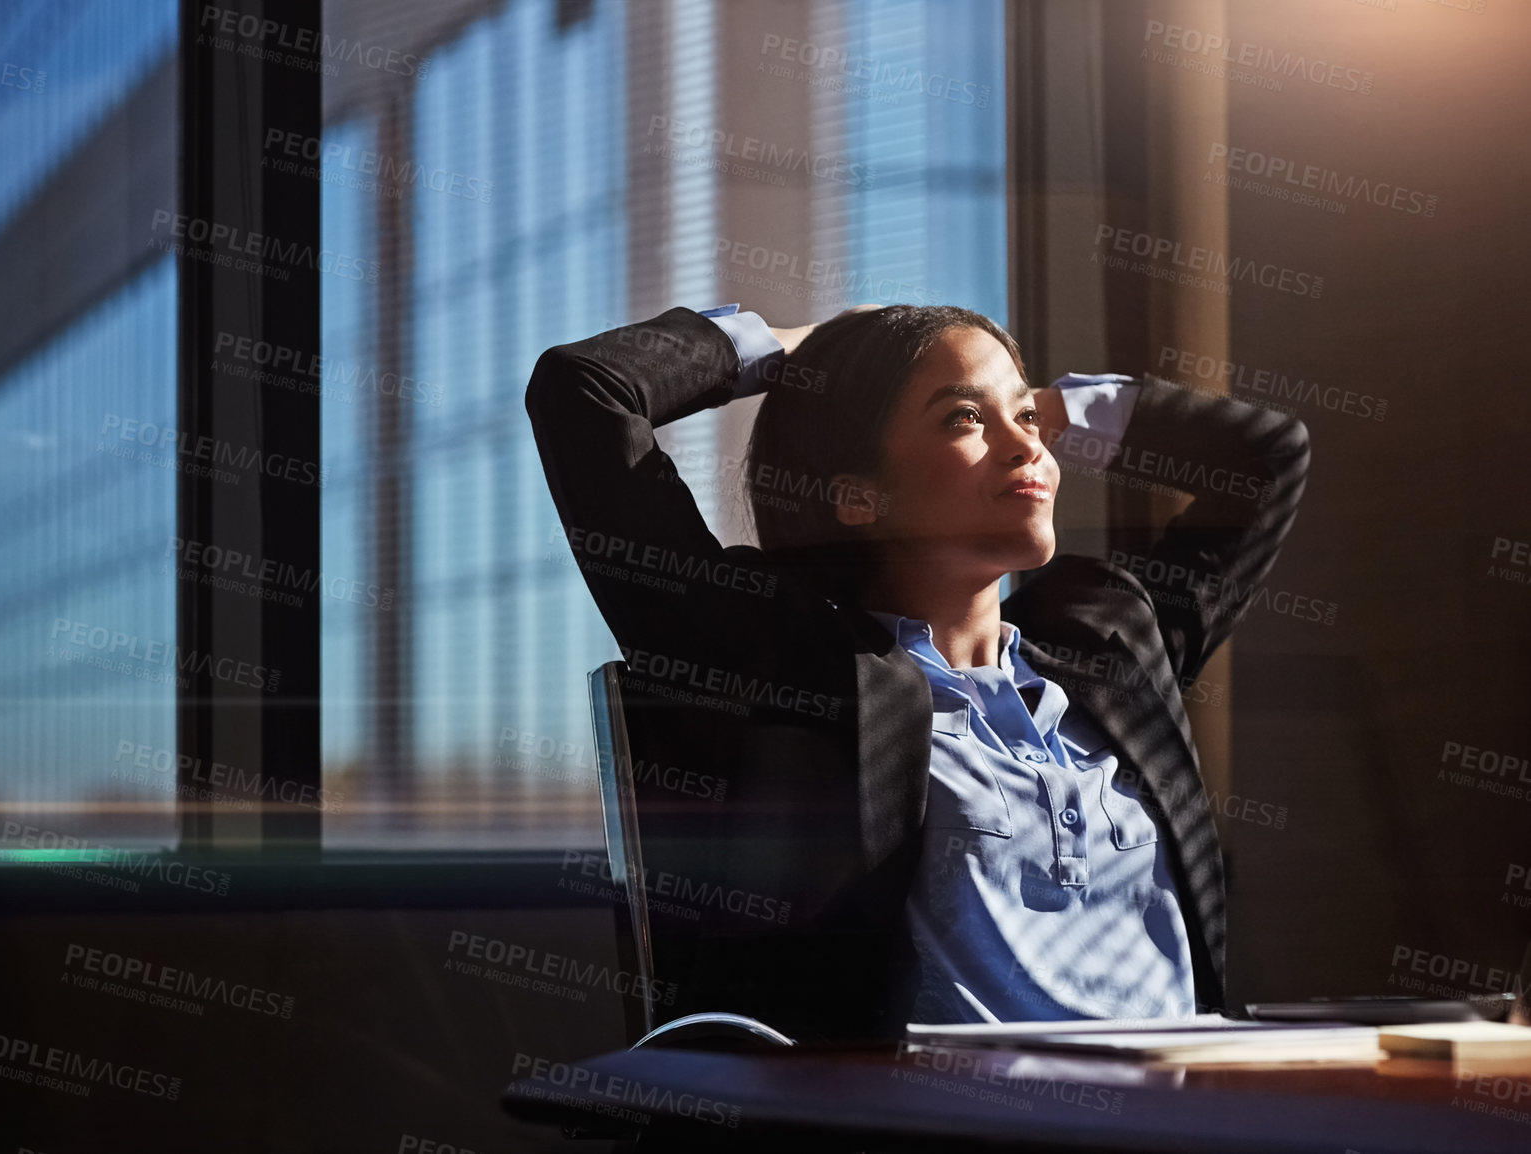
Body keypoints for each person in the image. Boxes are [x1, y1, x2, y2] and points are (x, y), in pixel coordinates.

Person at [526, 302, 1309, 1040]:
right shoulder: (790, 665)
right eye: (963, 418)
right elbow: (584, 392)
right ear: (858, 496)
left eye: (1027, 421)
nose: (1026, 446)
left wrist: (1040, 407)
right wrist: (807, 351)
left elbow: (1268, 456)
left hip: (1195, 1108)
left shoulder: (1114, 647)